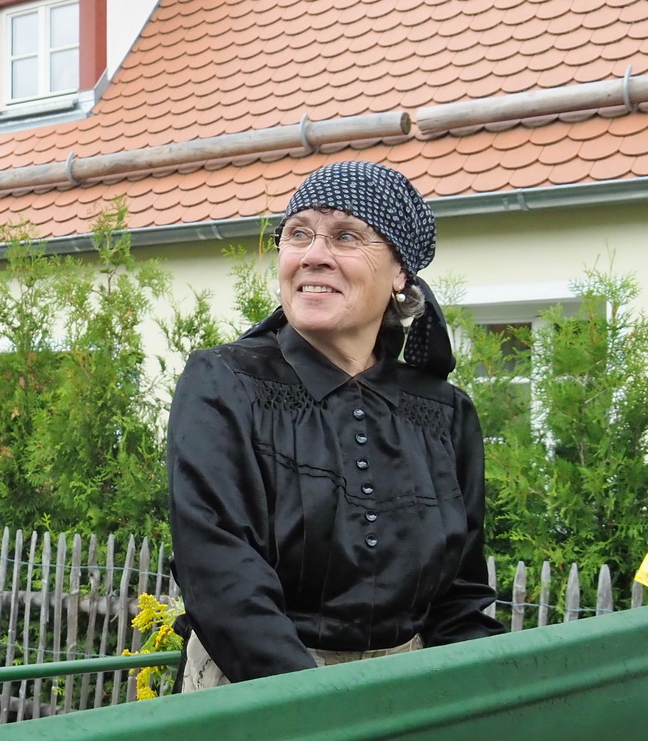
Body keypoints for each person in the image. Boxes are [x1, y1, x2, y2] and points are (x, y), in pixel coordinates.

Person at [167, 161, 503, 690]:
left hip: (406, 693)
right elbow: (220, 574)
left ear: (400, 273)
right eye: (298, 234)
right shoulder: (225, 383)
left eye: (346, 236)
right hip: (252, 690)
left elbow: (459, 596)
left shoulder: (443, 413)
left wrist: (479, 697)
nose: (313, 255)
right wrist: (318, 707)